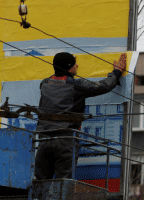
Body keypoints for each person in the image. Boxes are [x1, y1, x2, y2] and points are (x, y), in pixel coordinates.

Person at [34, 51, 126, 180]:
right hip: (65, 141)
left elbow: (58, 78)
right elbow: (104, 86)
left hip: (43, 141)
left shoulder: (44, 84)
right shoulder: (77, 86)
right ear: (69, 67)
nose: (77, 65)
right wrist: (116, 73)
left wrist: (67, 68)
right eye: (74, 64)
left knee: (40, 181)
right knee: (63, 182)